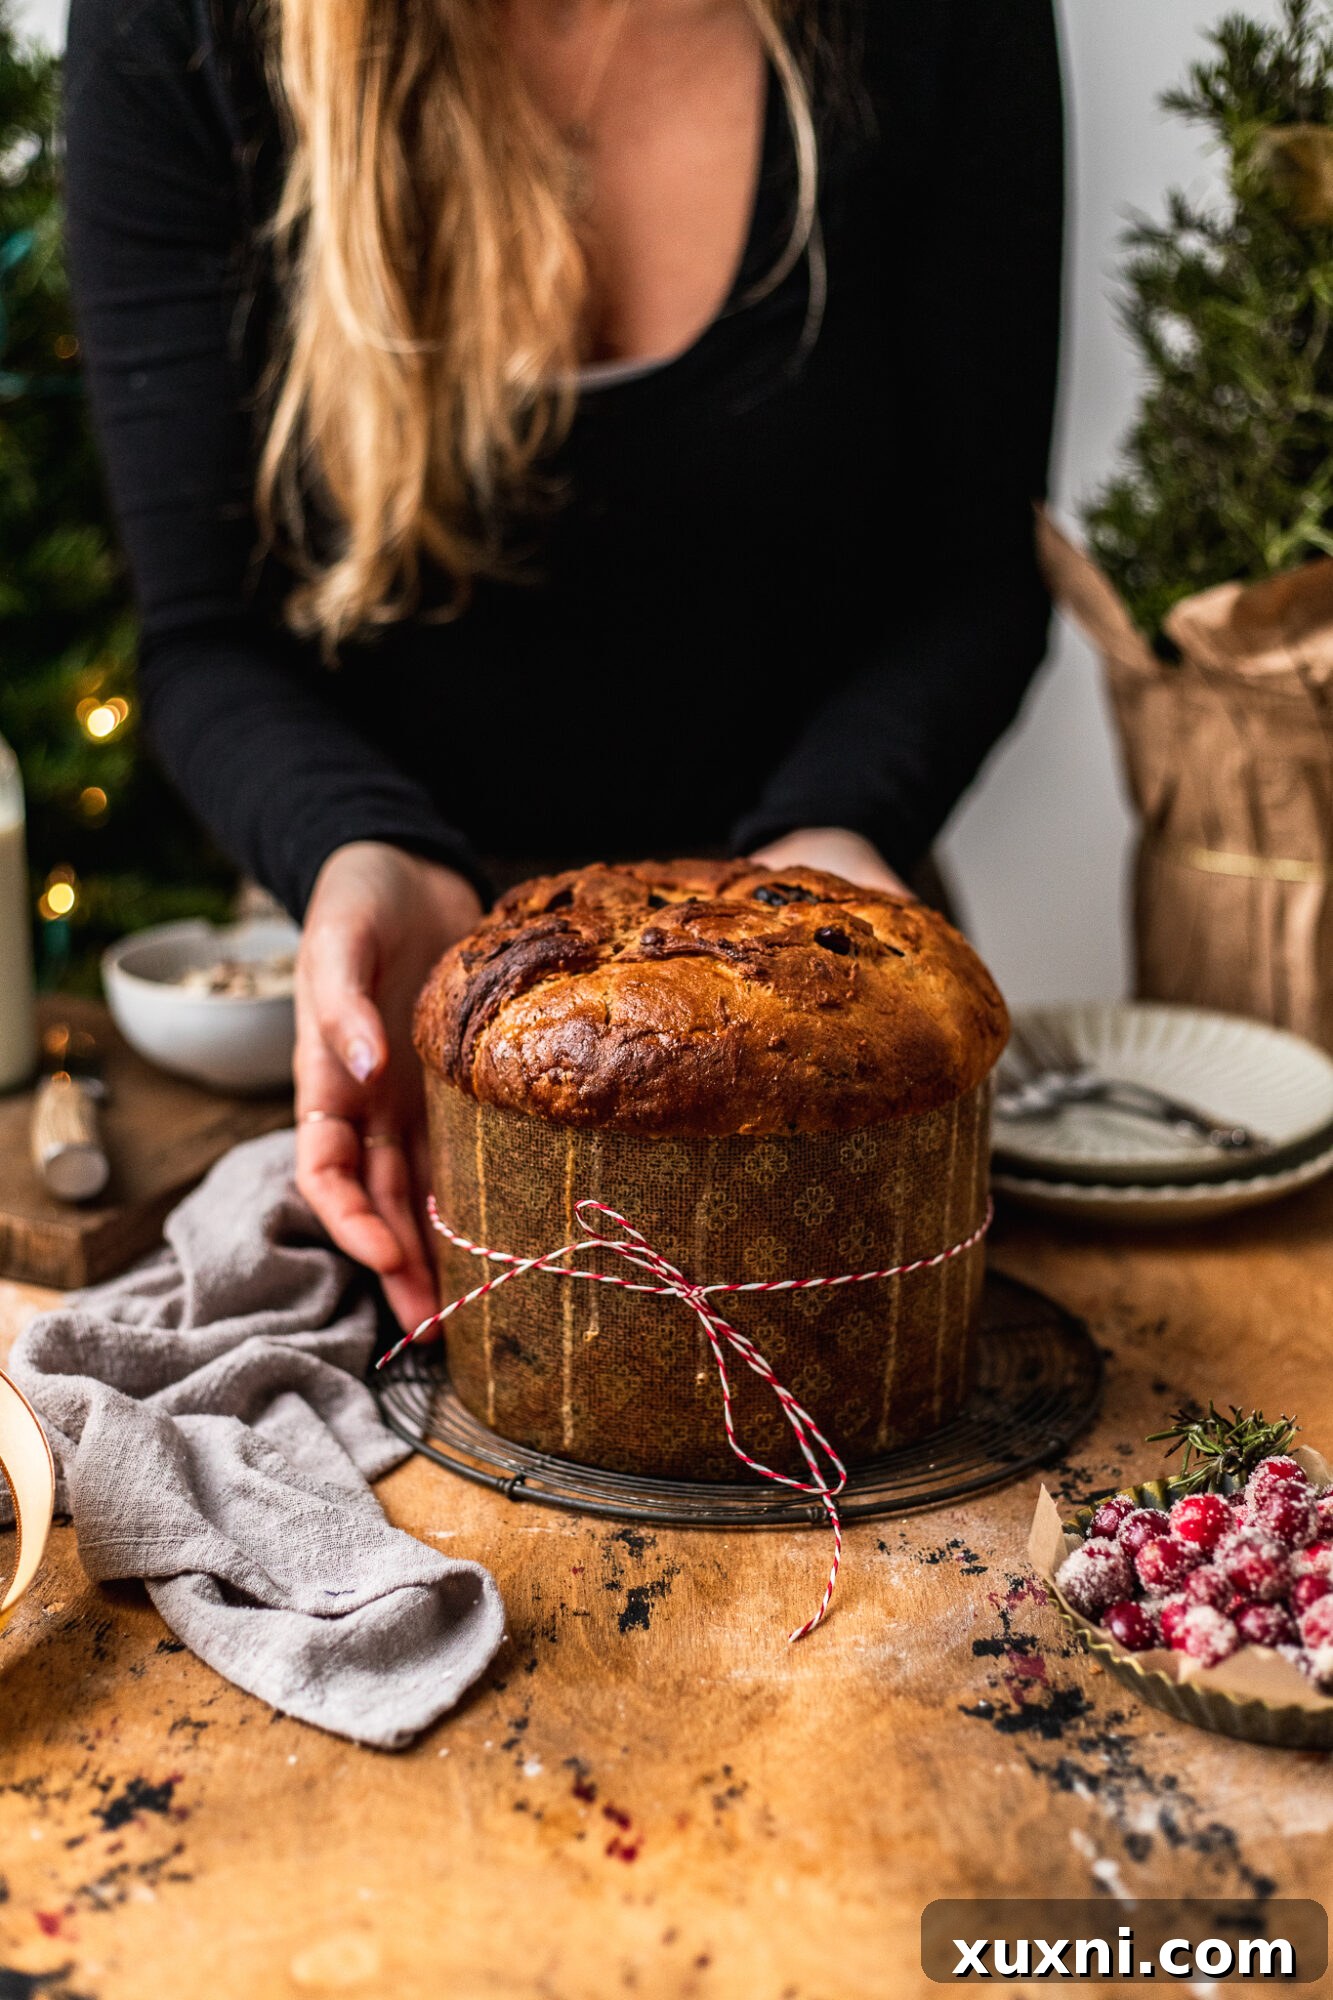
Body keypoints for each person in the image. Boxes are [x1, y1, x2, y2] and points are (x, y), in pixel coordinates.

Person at [64, 0, 1063, 1330]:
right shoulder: (180, 26)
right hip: (397, 1001)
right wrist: (362, 852)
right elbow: (204, 635)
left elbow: (976, 576)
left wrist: (838, 837)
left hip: (826, 945)